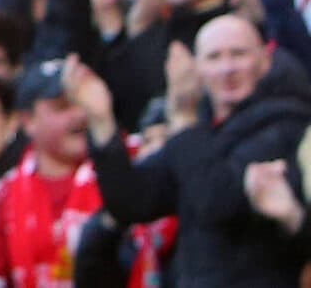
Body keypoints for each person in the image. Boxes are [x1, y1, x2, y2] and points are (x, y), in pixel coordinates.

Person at [70, 21, 311, 288]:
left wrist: (185, 120)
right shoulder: (200, 130)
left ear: (265, 60)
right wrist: (102, 122)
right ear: (198, 69)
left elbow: (215, 200)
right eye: (214, 57)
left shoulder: (288, 122)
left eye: (239, 54)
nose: (227, 68)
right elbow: (131, 202)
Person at [0, 64, 94, 288]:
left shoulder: (137, 169)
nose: (80, 114)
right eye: (64, 106)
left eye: (85, 102)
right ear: (28, 121)